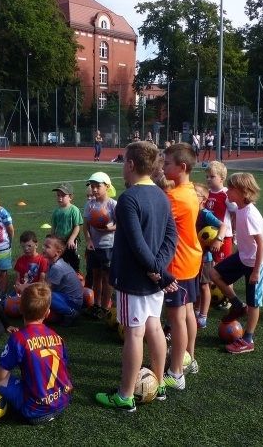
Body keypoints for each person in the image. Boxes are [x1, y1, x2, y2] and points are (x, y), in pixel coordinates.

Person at [95, 141, 177, 411]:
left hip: (134, 279)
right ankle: (160, 382)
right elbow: (171, 237)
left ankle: (125, 394)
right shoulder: (162, 195)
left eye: (123, 162)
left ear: (130, 164)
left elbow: (136, 243)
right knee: (154, 327)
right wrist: (160, 269)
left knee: (134, 333)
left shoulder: (129, 198)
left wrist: (157, 271)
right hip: (152, 279)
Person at [0, 282, 73, 424]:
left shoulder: (19, 338)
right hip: (63, 400)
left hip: (35, 411)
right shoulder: (57, 337)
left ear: (20, 309)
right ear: (48, 312)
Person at [209, 173, 263, 354]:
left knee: (254, 303)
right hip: (243, 257)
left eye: (231, 188)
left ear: (242, 192)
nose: (227, 190)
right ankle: (237, 304)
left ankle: (248, 340)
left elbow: (261, 245)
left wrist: (256, 271)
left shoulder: (251, 214)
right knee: (214, 274)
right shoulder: (239, 208)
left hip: (256, 263)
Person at [161, 143, 203, 391]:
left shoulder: (174, 197)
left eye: (167, 164)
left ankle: (176, 373)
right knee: (187, 313)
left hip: (178, 263)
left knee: (176, 318)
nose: (163, 167)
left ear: (182, 167)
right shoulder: (189, 190)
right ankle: (190, 359)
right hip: (190, 259)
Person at [200, 161, 236, 324]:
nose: (208, 179)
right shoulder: (207, 193)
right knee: (211, 267)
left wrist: (234, 233)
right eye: (207, 176)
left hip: (223, 237)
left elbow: (236, 213)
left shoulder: (226, 195)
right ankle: (214, 294)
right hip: (207, 237)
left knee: (225, 269)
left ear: (222, 178)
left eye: (212, 176)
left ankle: (229, 298)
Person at [82, 172, 117, 319]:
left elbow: (121, 224)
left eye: (98, 186)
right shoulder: (90, 204)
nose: (95, 189)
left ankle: (105, 306)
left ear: (107, 187)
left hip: (108, 246)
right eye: (92, 186)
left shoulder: (113, 204)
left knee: (107, 277)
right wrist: (89, 240)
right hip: (94, 246)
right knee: (95, 275)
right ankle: (96, 304)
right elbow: (86, 225)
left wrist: (110, 228)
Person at [193, 182, 223, 329]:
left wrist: (218, 240)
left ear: (204, 199)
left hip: (205, 257)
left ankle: (203, 316)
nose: (191, 196)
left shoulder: (205, 214)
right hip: (193, 255)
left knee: (204, 286)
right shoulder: (191, 211)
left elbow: (223, 225)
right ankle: (196, 310)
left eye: (195, 194)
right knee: (196, 285)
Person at [42, 234, 84, 326]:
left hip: (72, 302)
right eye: (44, 245)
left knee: (44, 294)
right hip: (65, 297)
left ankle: (71, 313)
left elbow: (46, 288)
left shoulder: (57, 267)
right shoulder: (53, 263)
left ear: (58, 252)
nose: (43, 248)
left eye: (47, 246)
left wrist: (27, 288)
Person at [50, 182, 83, 273]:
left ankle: (76, 275)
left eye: (63, 195)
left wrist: (72, 239)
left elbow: (77, 226)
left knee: (72, 259)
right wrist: (52, 238)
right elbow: (54, 226)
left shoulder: (74, 210)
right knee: (58, 259)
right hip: (58, 240)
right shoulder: (56, 211)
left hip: (69, 240)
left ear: (70, 197)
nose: (60, 198)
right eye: (58, 195)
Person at [13, 230, 48, 297]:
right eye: (23, 246)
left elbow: (41, 283)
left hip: (36, 291)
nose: (26, 249)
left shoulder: (42, 260)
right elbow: (17, 279)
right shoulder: (20, 260)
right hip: (22, 290)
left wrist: (26, 287)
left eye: (29, 246)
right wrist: (17, 287)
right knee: (6, 303)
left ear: (36, 245)